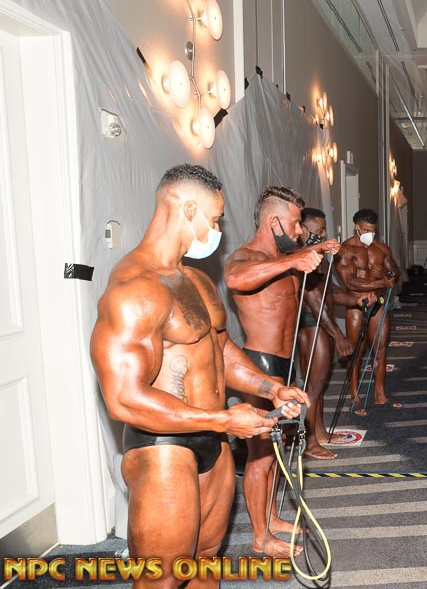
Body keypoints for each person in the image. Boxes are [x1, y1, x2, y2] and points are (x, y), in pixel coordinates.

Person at [91, 164, 309, 586]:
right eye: (214, 219)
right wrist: (224, 419)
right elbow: (124, 399)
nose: (218, 232)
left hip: (213, 439)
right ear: (188, 210)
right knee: (162, 578)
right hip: (164, 449)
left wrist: (271, 387)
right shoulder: (134, 288)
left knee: (206, 562)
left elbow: (221, 351)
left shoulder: (196, 280)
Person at [223, 186, 338, 555]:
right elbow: (236, 278)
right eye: (294, 223)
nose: (300, 231)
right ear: (273, 222)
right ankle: (260, 538)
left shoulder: (287, 258)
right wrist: (294, 260)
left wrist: (316, 251)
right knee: (260, 456)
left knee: (276, 451)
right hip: (260, 365)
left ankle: (271, 518)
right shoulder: (246, 257)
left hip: (285, 367)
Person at [295, 207, 376, 459]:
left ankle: (320, 433)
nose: (324, 234)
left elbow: (330, 292)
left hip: (323, 324)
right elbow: (314, 299)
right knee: (314, 387)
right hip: (312, 326)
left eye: (324, 229)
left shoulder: (318, 257)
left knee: (320, 385)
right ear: (304, 230)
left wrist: (356, 299)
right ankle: (310, 441)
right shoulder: (302, 258)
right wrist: (338, 336)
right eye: (319, 230)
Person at [335, 209, 403, 415]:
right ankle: (354, 396)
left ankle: (380, 394)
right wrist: (381, 282)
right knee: (356, 351)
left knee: (380, 348)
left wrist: (386, 273)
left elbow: (396, 272)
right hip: (357, 304)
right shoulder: (345, 250)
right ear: (356, 227)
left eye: (373, 231)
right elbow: (349, 281)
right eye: (366, 230)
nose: (370, 235)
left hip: (378, 303)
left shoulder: (381, 248)